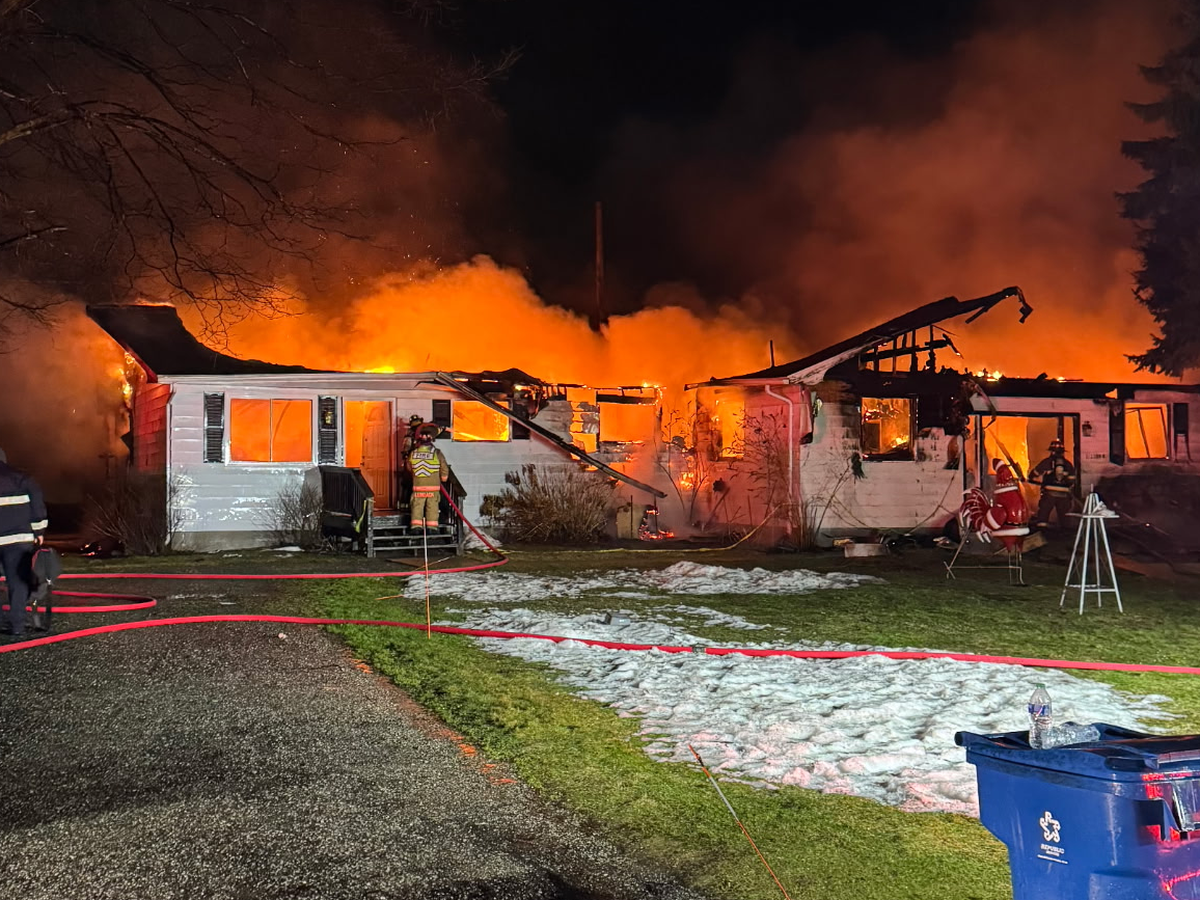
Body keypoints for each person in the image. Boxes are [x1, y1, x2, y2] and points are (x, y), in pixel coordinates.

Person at [0, 448, 48, 637]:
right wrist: (39, 531)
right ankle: (17, 626)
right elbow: (37, 505)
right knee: (18, 582)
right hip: (19, 540)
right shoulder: (22, 478)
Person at [407, 425, 448, 534]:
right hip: (433, 486)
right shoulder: (437, 453)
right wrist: (443, 478)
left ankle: (416, 527)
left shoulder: (414, 453)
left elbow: (409, 467)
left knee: (417, 506)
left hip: (418, 485)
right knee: (432, 506)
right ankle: (432, 528)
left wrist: (414, 476)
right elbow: (444, 467)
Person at [1029, 438, 1077, 530]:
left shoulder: (1047, 462)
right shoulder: (1068, 464)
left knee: (1044, 513)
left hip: (1049, 494)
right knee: (1065, 517)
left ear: (1052, 451)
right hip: (1064, 494)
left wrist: (1031, 478)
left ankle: (1042, 532)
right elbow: (1072, 480)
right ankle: (1066, 534)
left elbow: (1035, 473)